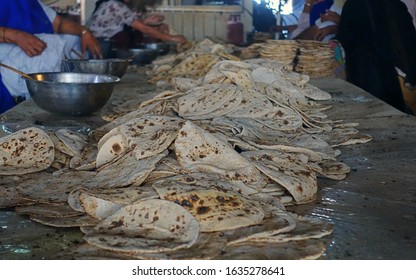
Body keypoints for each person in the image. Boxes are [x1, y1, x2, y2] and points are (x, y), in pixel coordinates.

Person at [0, 0, 103, 114]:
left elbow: (58, 23)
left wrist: (84, 32)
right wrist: (13, 36)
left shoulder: (30, 2)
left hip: (40, 84)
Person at [337, 0, 416, 114]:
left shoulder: (353, 5)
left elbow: (346, 42)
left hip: (364, 79)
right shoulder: (395, 4)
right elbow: (409, 43)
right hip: (394, 80)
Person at [88, 0, 187, 54]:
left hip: (111, 40)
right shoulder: (114, 4)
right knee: (131, 35)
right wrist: (173, 38)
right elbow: (144, 29)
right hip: (101, 44)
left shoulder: (128, 5)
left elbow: (135, 22)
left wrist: (149, 21)